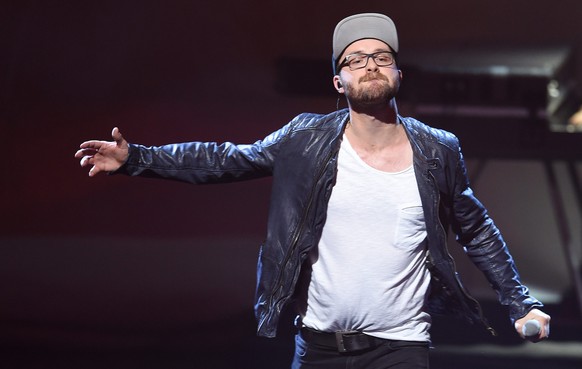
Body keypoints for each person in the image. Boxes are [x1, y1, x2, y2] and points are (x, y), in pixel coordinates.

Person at [75, 13, 551, 369]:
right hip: (320, 346)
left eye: (382, 58)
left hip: (402, 347)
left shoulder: (438, 150)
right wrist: (137, 158)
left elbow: (476, 229)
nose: (370, 65)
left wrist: (521, 303)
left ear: (398, 76)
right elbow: (225, 158)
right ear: (337, 81)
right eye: (355, 59)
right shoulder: (304, 139)